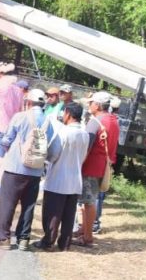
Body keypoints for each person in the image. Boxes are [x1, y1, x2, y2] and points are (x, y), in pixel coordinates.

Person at [0, 89, 55, 251]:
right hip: (36, 169)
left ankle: (3, 238)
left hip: (15, 167)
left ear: (28, 102)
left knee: (8, 203)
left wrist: (6, 146)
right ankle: (23, 239)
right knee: (28, 205)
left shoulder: (20, 117)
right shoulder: (48, 121)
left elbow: (7, 140)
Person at [36, 103, 90, 252]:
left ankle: (48, 241)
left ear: (68, 114)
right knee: (68, 215)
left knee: (52, 213)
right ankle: (65, 243)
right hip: (75, 179)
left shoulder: (63, 131)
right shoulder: (85, 134)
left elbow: (53, 155)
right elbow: (83, 156)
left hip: (58, 178)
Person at [76, 91, 119, 247]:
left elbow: (86, 146)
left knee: (88, 202)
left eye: (91, 102)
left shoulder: (95, 121)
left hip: (91, 166)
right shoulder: (113, 120)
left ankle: (87, 237)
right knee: (90, 200)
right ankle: (84, 229)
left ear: (98, 105)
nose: (89, 105)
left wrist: (79, 163)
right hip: (103, 165)